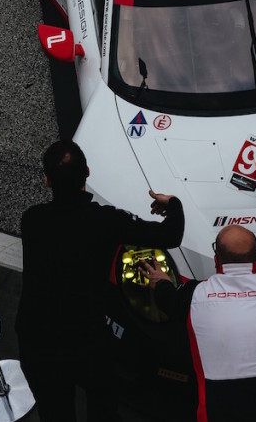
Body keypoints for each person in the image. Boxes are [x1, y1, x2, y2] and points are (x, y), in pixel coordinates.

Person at [15, 140, 185, 422]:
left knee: (55, 412)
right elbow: (171, 236)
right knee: (103, 404)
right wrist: (174, 205)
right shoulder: (105, 221)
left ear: (46, 180)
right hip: (87, 341)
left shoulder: (31, 220)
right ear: (87, 173)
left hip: (37, 342)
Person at [141, 224, 256, 422]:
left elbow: (166, 297)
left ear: (216, 259)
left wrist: (160, 282)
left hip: (219, 412)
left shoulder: (193, 296)